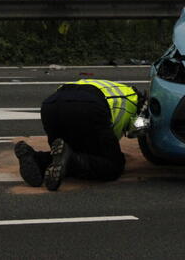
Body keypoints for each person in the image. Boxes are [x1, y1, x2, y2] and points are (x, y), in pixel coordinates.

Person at [14, 79, 143, 191]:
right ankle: (71, 161)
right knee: (113, 166)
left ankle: (35, 158)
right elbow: (112, 141)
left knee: (65, 152)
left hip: (51, 105)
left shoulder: (116, 88)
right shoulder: (132, 102)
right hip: (89, 105)